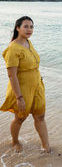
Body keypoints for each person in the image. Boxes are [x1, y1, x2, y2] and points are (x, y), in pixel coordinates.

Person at [0, 16, 51, 153]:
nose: (29, 30)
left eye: (31, 27)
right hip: (22, 89)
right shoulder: (13, 49)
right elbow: (12, 75)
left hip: (37, 86)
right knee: (20, 118)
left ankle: (46, 146)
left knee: (40, 116)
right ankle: (15, 141)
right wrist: (19, 97)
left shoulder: (28, 42)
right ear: (17, 28)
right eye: (26, 26)